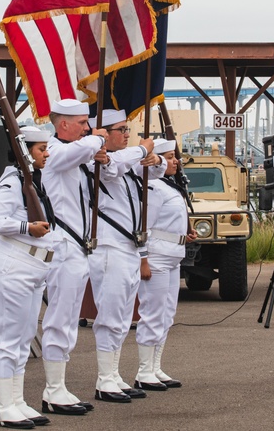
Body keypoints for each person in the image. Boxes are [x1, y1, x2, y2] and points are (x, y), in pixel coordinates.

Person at [0, 126, 58, 428]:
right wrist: (27, 228)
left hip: (31, 268)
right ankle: (4, 407)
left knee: (24, 337)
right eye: (41, 149)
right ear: (25, 152)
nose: (46, 154)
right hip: (12, 265)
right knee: (7, 339)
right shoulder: (13, 182)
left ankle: (17, 400)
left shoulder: (35, 181)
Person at [86, 110, 162, 403]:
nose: (127, 133)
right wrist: (142, 149)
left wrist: (155, 158)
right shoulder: (99, 161)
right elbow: (114, 166)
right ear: (104, 134)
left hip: (129, 248)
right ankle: (104, 379)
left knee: (121, 316)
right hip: (109, 247)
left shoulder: (126, 163)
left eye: (127, 128)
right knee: (110, 315)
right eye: (121, 129)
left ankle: (114, 374)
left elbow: (157, 168)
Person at [40, 99, 107, 416]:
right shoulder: (55, 152)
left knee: (67, 321)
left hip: (78, 247)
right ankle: (53, 390)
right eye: (81, 122)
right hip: (64, 246)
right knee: (60, 320)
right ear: (62, 124)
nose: (87, 127)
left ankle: (60, 387)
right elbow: (74, 153)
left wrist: (97, 153)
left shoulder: (75, 155)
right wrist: (98, 139)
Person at [134, 139, 196, 389]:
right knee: (153, 312)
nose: (175, 161)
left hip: (174, 253)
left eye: (175, 156)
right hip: (157, 255)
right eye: (169, 157)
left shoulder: (171, 187)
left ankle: (155, 366)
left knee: (167, 313)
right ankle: (143, 371)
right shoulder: (152, 187)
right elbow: (143, 226)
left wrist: (187, 232)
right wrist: (143, 260)